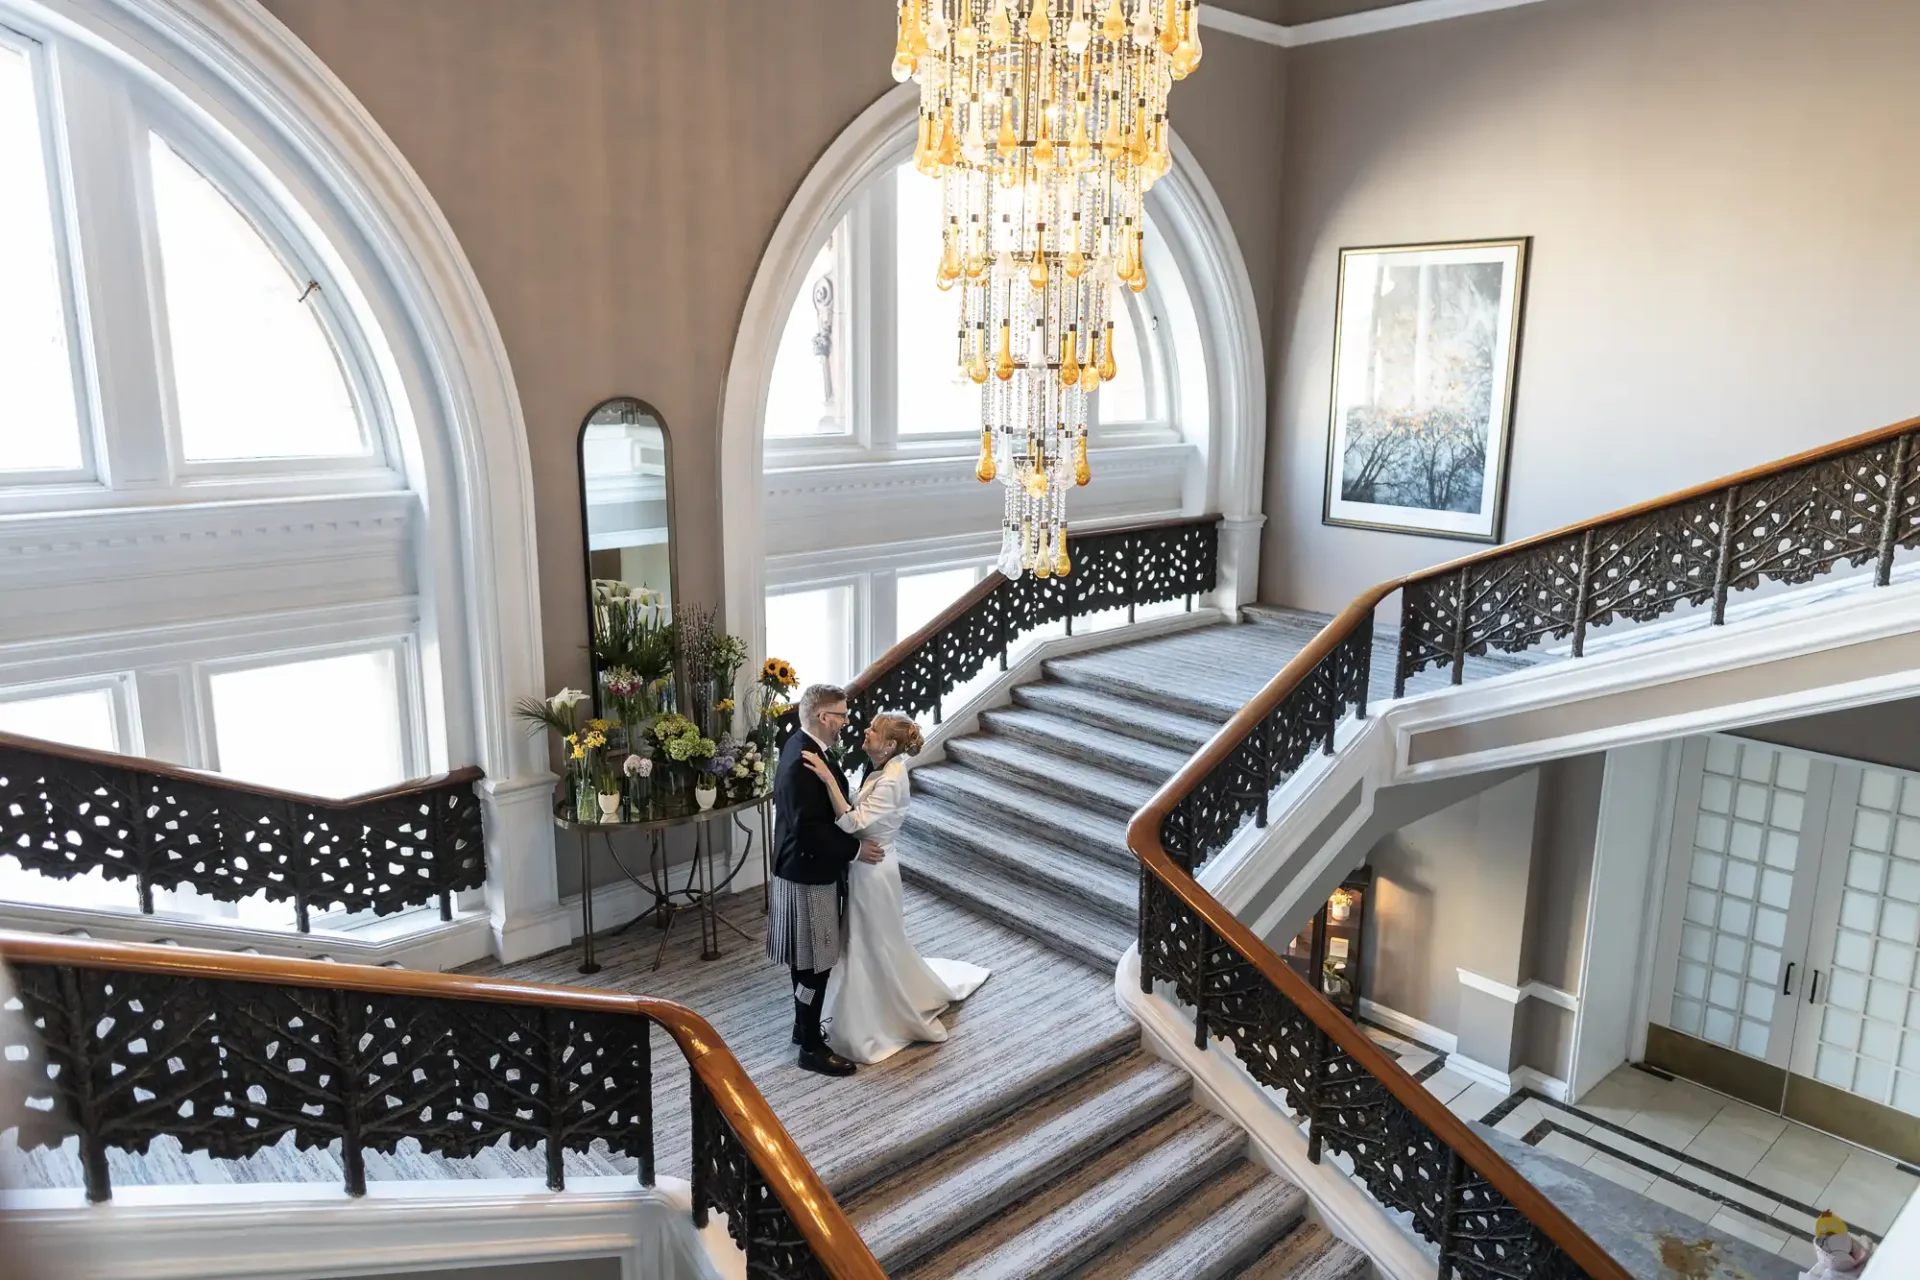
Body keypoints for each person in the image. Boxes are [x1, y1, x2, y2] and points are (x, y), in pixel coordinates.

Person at [806, 711, 990, 1065]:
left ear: (890, 745)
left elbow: (852, 822)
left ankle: (875, 1016)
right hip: (866, 865)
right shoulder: (882, 768)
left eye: (873, 730)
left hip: (873, 871)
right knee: (867, 938)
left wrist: (829, 779)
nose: (866, 730)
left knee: (870, 940)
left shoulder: (891, 779)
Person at [766, 683, 875, 1077]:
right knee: (815, 965)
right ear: (823, 717)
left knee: (806, 961)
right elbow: (808, 828)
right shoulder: (802, 760)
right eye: (842, 715)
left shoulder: (800, 745)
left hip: (799, 870)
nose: (846, 723)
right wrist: (856, 851)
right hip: (808, 874)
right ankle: (811, 1047)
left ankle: (803, 1026)